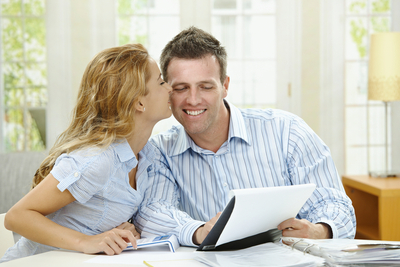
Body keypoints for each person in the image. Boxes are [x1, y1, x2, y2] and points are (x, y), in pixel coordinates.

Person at [134, 26, 356, 247]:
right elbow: (152, 211)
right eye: (181, 88)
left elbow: (336, 204)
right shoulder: (158, 151)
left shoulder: (287, 131)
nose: (193, 100)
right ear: (167, 92)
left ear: (225, 86)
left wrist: (320, 231)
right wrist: (199, 231)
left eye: (206, 87)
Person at [1, 43, 172, 263]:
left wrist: (123, 231)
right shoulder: (97, 159)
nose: (169, 88)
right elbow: (17, 217)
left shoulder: (147, 156)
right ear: (139, 101)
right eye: (161, 81)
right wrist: (85, 241)